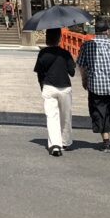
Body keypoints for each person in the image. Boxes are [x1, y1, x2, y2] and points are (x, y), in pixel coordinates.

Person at [77, 19, 110, 152]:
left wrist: (84, 80)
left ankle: (106, 142)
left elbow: (82, 66)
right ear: (107, 31)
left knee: (100, 113)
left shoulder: (86, 45)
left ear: (95, 31)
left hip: (96, 87)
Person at [34, 28, 76, 156]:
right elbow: (72, 73)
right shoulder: (65, 53)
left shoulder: (43, 54)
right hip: (64, 87)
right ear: (59, 38)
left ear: (47, 38)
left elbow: (39, 72)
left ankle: (55, 145)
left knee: (52, 116)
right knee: (66, 116)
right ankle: (66, 141)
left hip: (49, 86)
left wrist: (42, 86)